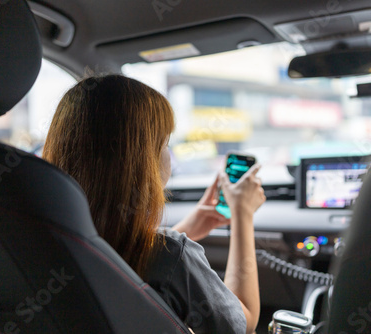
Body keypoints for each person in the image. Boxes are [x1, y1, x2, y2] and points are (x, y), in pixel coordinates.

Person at [43, 75, 265, 333]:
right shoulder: (173, 255)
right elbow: (243, 322)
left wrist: (187, 228)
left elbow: (119, 255)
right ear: (143, 161)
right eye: (165, 143)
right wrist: (242, 215)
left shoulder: (42, 238)